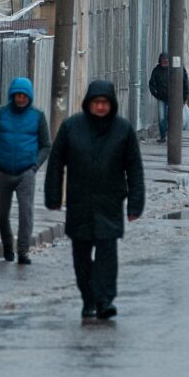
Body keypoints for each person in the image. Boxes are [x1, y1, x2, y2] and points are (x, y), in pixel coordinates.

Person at [45, 80, 145, 321]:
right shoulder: (72, 128)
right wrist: (54, 197)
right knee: (81, 256)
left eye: (104, 103)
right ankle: (88, 299)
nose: (100, 107)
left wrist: (135, 204)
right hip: (80, 203)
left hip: (110, 203)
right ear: (88, 103)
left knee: (107, 256)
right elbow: (56, 164)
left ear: (111, 104)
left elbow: (134, 169)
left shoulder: (123, 130)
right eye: (96, 103)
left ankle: (105, 301)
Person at [0, 77, 50, 265]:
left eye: (24, 96)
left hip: (25, 172)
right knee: (1, 211)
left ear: (29, 97)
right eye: (17, 95)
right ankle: (7, 244)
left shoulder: (37, 116)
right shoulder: (0, 114)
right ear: (12, 96)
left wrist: (34, 166)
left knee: (25, 212)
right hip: (2, 171)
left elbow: (46, 145)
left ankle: (23, 251)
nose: (21, 99)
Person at [147, 52, 189, 144]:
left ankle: (171, 135)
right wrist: (156, 94)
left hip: (174, 99)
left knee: (171, 117)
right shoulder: (157, 70)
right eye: (163, 61)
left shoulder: (177, 70)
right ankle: (163, 136)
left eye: (166, 61)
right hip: (161, 98)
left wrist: (184, 97)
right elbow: (151, 84)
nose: (165, 63)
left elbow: (185, 83)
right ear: (160, 61)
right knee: (162, 117)